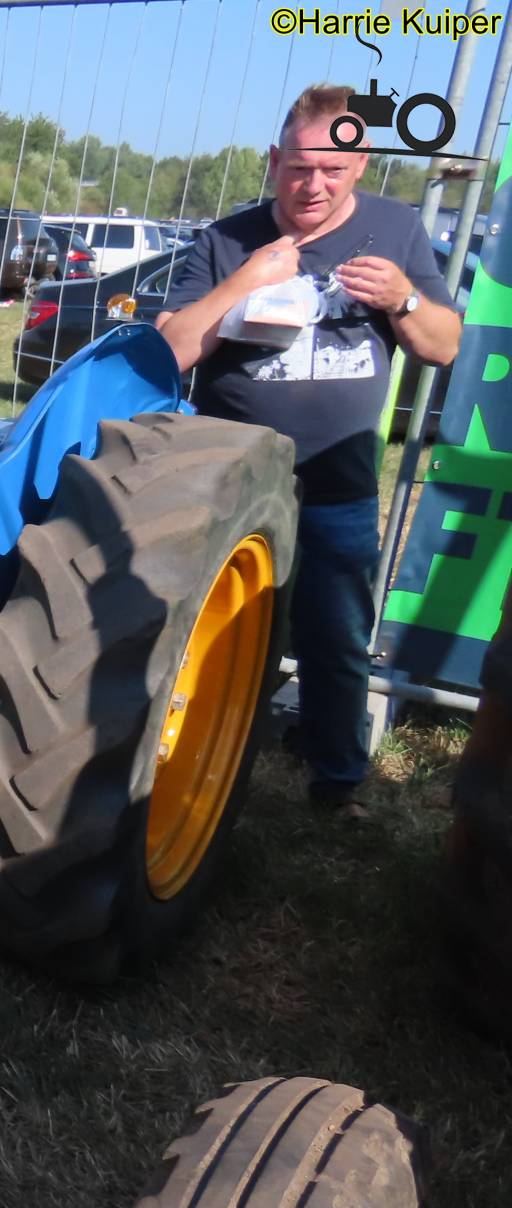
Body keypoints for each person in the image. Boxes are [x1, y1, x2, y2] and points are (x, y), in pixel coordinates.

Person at [157, 82, 461, 820]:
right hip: (222, 485)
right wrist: (244, 282)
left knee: (337, 637)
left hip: (336, 483)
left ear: (360, 167)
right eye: (299, 167)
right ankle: (185, 767)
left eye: (333, 169)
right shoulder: (227, 239)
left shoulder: (395, 231)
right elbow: (168, 349)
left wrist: (403, 300)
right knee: (200, 632)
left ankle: (338, 781)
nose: (314, 184)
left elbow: (443, 345)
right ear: (273, 160)